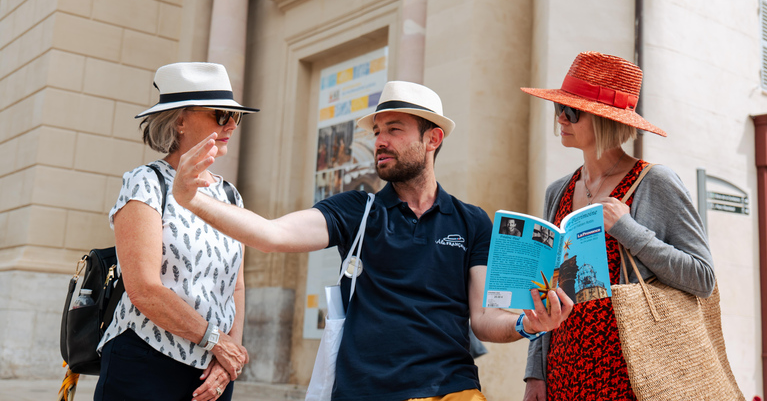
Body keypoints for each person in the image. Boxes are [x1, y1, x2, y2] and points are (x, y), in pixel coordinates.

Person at [172, 80, 574, 401]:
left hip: (453, 389)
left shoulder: (470, 220)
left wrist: (527, 323)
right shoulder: (356, 210)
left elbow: (484, 319)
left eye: (394, 130)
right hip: (366, 390)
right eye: (378, 131)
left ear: (432, 140)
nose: (380, 141)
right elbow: (273, 235)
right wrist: (193, 200)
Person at [519, 52, 716, 401]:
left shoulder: (655, 182)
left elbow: (702, 278)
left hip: (632, 374)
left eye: (572, 111)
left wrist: (628, 229)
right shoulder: (558, 191)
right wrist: (536, 373)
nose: (561, 119)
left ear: (604, 120)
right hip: (565, 370)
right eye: (558, 109)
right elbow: (544, 288)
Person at [94, 62, 257, 401]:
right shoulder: (146, 182)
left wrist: (229, 358)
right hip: (144, 362)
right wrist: (218, 341)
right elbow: (144, 290)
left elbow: (236, 286)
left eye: (234, 116)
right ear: (180, 120)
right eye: (219, 114)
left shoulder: (229, 194)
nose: (230, 124)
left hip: (213, 372)